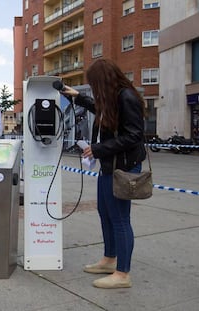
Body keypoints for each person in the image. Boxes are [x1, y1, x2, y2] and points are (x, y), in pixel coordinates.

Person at [61, 58, 146, 289]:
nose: (95, 90)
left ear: (104, 81)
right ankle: (110, 259)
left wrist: (98, 149)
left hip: (124, 167)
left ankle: (122, 274)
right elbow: (100, 109)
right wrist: (77, 96)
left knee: (120, 219)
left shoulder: (126, 97)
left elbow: (134, 136)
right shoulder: (113, 98)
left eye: (95, 85)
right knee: (105, 213)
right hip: (110, 165)